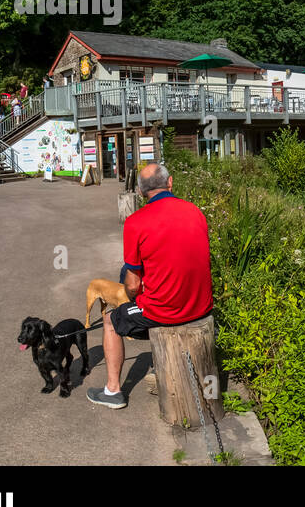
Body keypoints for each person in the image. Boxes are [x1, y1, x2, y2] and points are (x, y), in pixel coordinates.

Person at [89, 164, 214, 409]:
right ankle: (161, 367)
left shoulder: (136, 222)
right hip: (202, 305)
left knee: (111, 320)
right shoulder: (195, 211)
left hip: (165, 311)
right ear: (170, 183)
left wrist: (131, 288)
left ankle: (113, 391)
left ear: (140, 191)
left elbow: (134, 287)